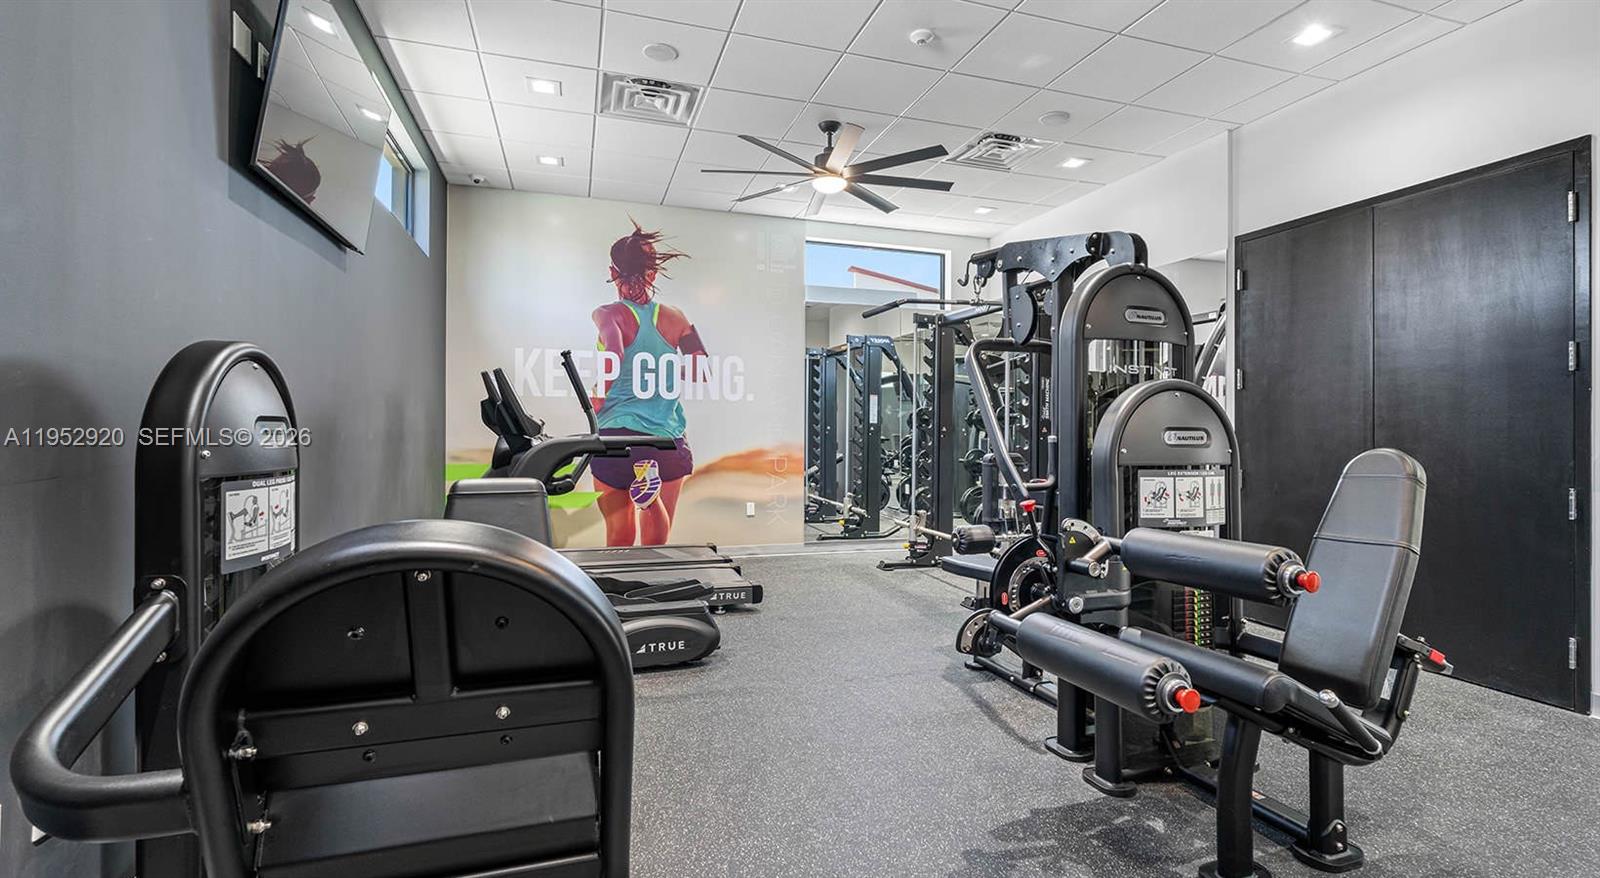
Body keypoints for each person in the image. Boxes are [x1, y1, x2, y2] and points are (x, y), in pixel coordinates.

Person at [588, 221, 706, 546]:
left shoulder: (607, 313)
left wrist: (598, 396)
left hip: (615, 438)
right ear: (653, 274)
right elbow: (699, 364)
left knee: (618, 534)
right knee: (656, 544)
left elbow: (614, 352)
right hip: (666, 440)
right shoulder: (676, 317)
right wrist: (661, 372)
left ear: (612, 272)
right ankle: (649, 499)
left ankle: (619, 588)